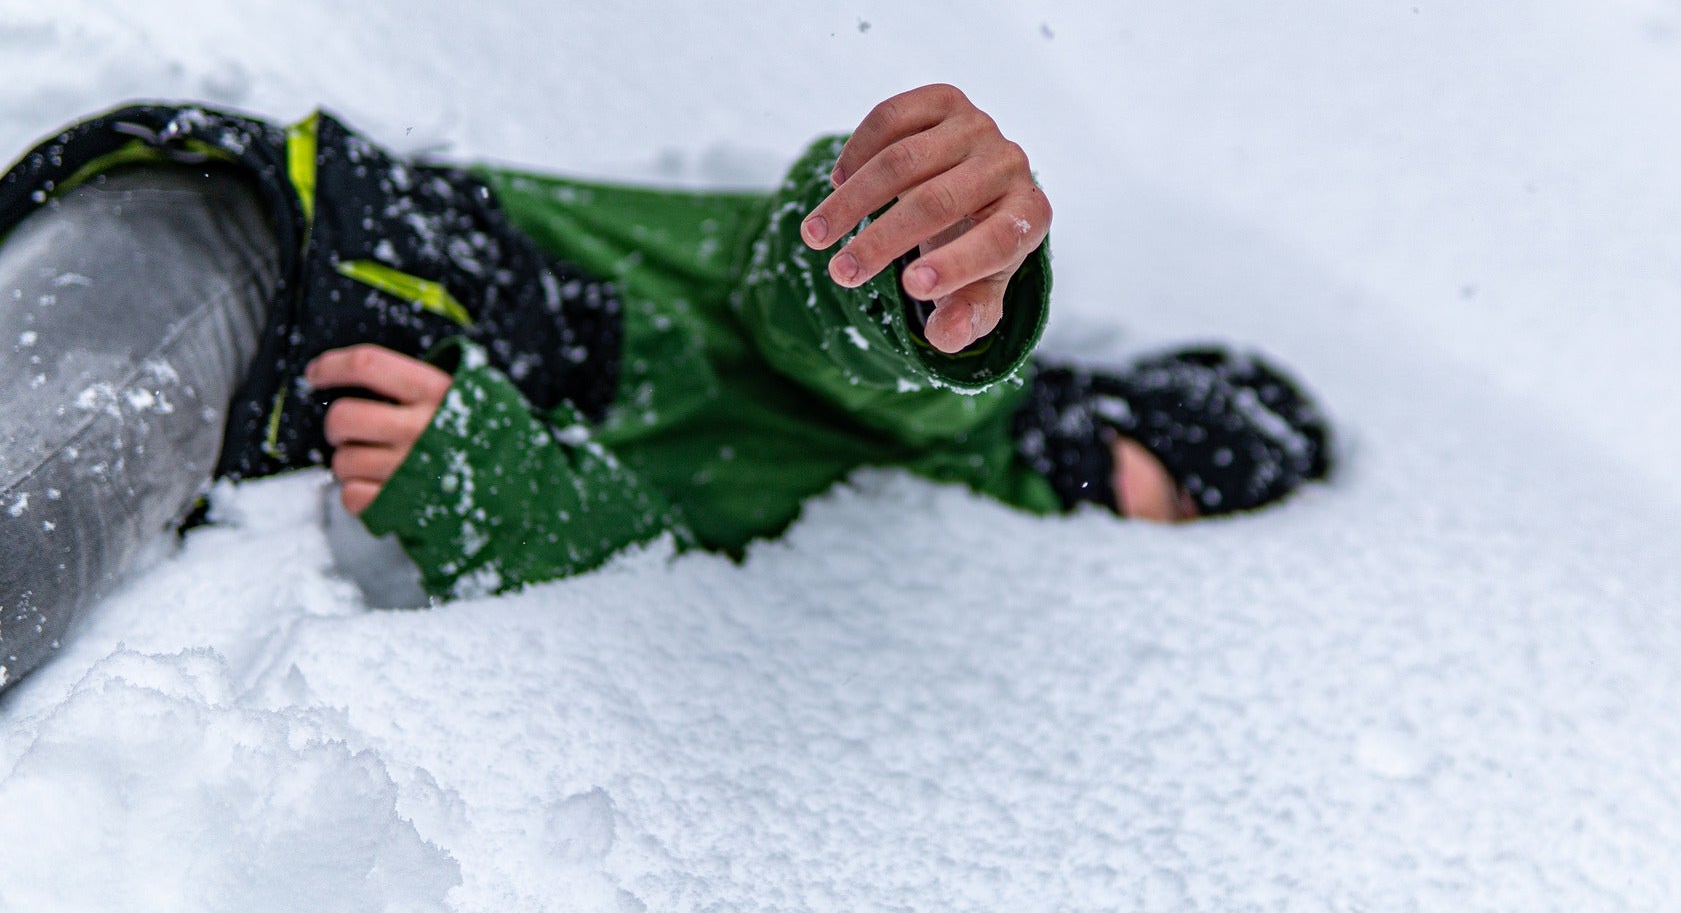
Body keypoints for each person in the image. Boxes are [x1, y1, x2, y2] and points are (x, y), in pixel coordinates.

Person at [0, 86, 1330, 694]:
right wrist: (934, 286)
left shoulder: (848, 532)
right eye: (1123, 492)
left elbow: (636, 539)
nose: (1098, 538)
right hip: (256, 266)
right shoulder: (947, 427)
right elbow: (818, 301)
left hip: (244, 413)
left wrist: (500, 483)